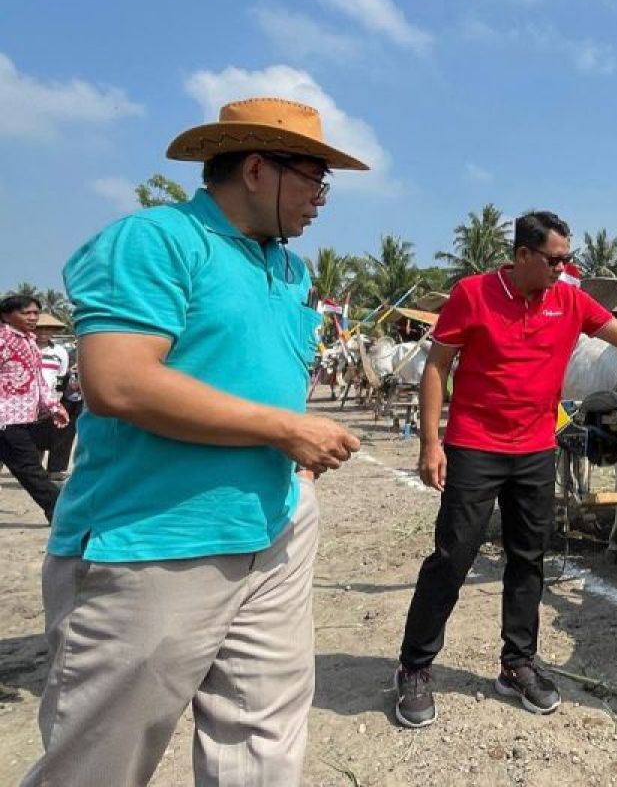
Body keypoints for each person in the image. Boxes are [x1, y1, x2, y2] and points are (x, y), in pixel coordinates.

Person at [23, 97, 367, 787]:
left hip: (272, 524)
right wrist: (287, 429)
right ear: (257, 168)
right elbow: (119, 383)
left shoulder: (290, 270)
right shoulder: (156, 241)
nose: (321, 199)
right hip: (157, 536)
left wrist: (291, 466)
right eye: (313, 178)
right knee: (101, 758)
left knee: (262, 738)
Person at [394, 210, 617, 728]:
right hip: (475, 447)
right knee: (452, 557)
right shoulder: (472, 294)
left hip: (535, 449)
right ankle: (415, 666)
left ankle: (517, 664)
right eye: (556, 259)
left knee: (529, 559)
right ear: (523, 255)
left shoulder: (569, 299)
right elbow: (438, 365)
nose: (564, 267)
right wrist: (429, 441)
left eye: (568, 258)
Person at [0, 295, 68, 522]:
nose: (32, 317)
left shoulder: (29, 342)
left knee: (29, 467)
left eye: (35, 313)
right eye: (26, 313)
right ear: (7, 315)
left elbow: (38, 380)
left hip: (24, 417)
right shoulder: (3, 340)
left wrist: (53, 405)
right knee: (31, 469)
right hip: (6, 418)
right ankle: (60, 511)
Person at [33, 314, 74, 480]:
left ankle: (52, 470)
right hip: (25, 399)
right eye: (39, 328)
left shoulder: (60, 352)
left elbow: (61, 377)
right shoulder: (26, 347)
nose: (43, 332)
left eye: (47, 328)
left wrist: (56, 399)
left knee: (45, 434)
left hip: (49, 400)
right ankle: (32, 470)